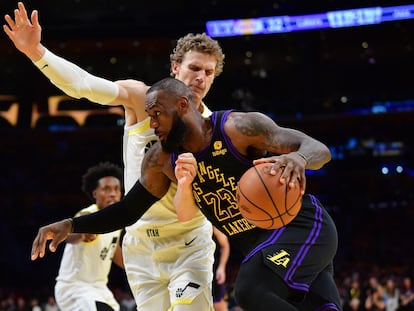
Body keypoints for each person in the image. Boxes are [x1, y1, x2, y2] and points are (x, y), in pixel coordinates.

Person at [30, 77, 342, 310]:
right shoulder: (162, 159)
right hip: (263, 245)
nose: (152, 124)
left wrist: (298, 158)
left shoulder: (238, 128)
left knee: (249, 290)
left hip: (303, 227)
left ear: (182, 106)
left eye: (157, 114)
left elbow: (319, 149)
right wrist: (71, 225)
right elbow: (128, 210)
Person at [4, 2, 224, 310]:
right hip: (140, 242)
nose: (201, 77)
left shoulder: (214, 128)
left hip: (189, 242)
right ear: (176, 67)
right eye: (194, 68)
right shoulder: (140, 98)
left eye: (209, 72)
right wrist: (36, 52)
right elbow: (84, 86)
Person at [54, 161, 125, 311]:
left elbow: (115, 253)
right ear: (95, 194)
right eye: (106, 189)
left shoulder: (116, 224)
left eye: (116, 189)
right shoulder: (88, 215)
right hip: (74, 289)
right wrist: (83, 233)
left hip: (100, 290)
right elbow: (71, 235)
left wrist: (142, 265)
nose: (112, 193)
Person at [212, 227, 230, 311]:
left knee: (218, 304)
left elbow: (225, 246)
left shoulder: (211, 224)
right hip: (194, 270)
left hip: (213, 271)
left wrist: (221, 267)